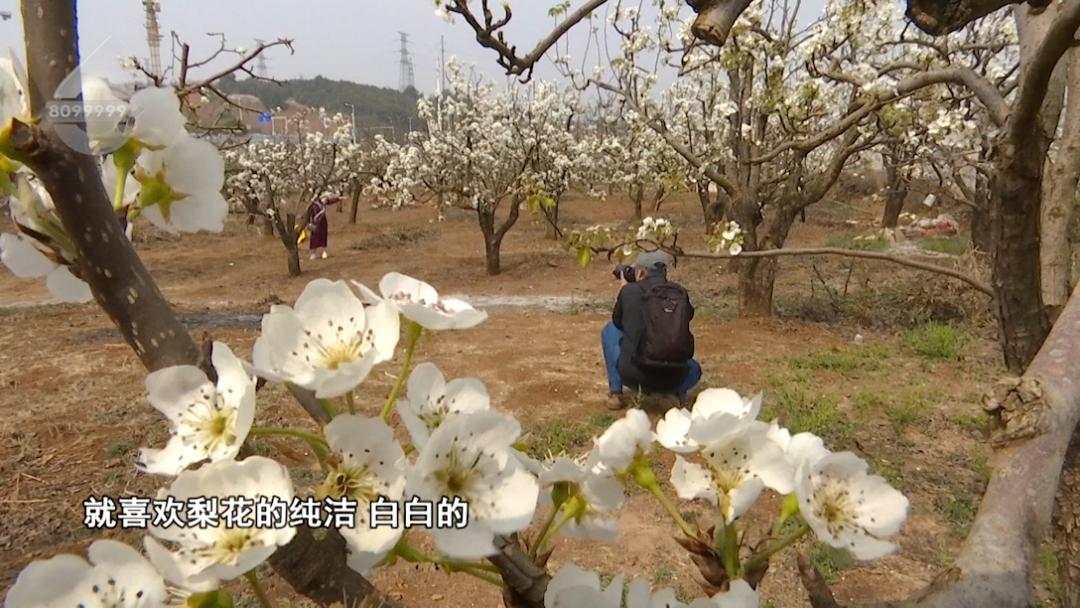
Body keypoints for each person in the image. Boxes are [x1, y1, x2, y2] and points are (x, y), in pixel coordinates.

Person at [602, 250, 702, 411]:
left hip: (635, 376)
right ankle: (676, 394)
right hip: (677, 377)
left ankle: (615, 393)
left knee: (610, 330)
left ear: (641, 271)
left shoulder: (630, 292)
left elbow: (618, 322)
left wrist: (624, 292)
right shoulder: (680, 293)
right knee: (694, 367)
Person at [304, 194, 341, 260]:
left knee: (323, 236)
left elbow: (331, 201)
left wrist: (338, 198)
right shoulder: (312, 205)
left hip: (323, 222)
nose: (325, 200)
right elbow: (308, 214)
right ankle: (313, 253)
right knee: (314, 237)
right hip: (315, 223)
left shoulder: (323, 204)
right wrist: (308, 223)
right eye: (324, 198)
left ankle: (324, 252)